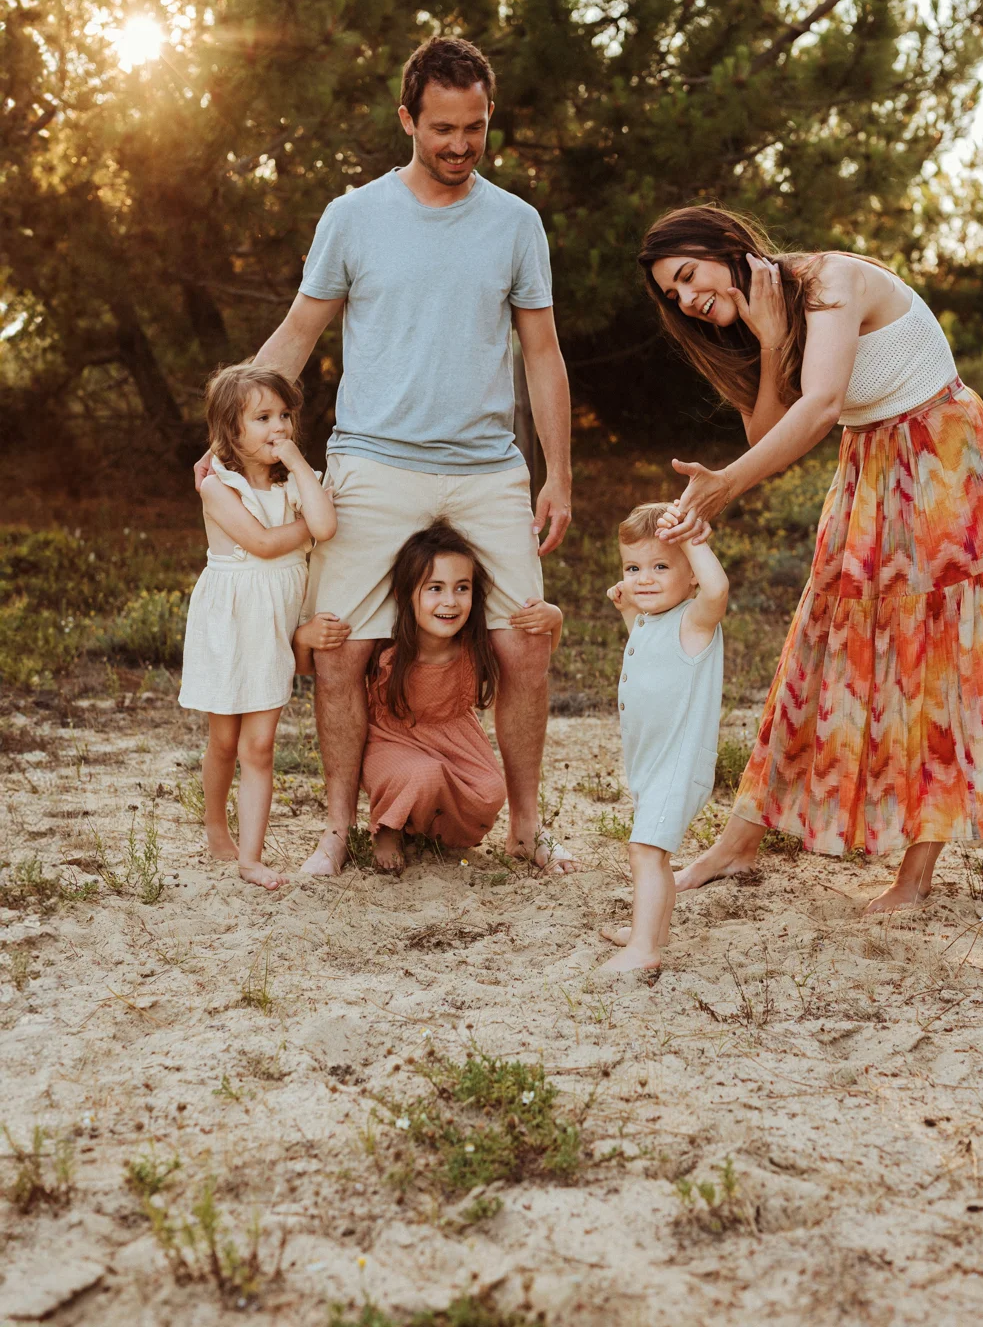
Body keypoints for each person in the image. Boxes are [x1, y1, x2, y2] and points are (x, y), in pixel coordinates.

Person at [197, 36, 575, 878]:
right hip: (373, 460)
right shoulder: (353, 217)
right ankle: (337, 830)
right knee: (338, 645)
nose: (458, 144)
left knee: (523, 643)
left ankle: (525, 827)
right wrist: (230, 438)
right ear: (407, 119)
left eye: (474, 127)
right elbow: (300, 329)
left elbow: (542, 354)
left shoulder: (516, 223)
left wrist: (559, 472)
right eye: (441, 127)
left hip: (486, 464)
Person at [636, 206, 983, 913]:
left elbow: (818, 411)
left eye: (688, 276)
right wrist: (773, 340)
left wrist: (725, 484)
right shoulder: (768, 320)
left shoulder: (831, 280)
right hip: (872, 463)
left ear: (729, 245)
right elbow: (768, 428)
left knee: (932, 659)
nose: (686, 299)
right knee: (819, 647)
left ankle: (914, 878)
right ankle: (738, 843)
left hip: (942, 459)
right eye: (672, 295)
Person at [308, 518, 562, 875]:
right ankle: (388, 829)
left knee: (490, 792)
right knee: (422, 775)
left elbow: (538, 656)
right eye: (435, 589)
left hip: (454, 741)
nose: (450, 601)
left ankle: (420, 826)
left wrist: (557, 618)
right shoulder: (388, 643)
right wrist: (306, 635)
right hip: (393, 741)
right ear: (404, 594)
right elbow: (319, 668)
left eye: (462, 588)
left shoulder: (474, 644)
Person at [180, 364, 338, 890]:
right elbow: (267, 544)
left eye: (286, 417)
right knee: (224, 740)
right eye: (263, 417)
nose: (279, 427)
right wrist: (308, 531)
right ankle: (214, 825)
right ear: (231, 431)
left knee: (260, 745)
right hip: (230, 621)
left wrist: (298, 464)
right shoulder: (217, 487)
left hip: (273, 625)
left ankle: (251, 858)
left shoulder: (295, 481)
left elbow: (327, 525)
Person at [602, 503, 729, 971]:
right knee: (651, 848)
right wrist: (628, 608)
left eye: (661, 566)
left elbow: (718, 590)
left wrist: (694, 541)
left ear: (691, 574)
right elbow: (648, 654)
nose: (645, 578)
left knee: (646, 851)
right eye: (633, 568)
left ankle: (644, 949)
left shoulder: (695, 622)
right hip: (652, 761)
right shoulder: (651, 622)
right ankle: (651, 930)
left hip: (677, 763)